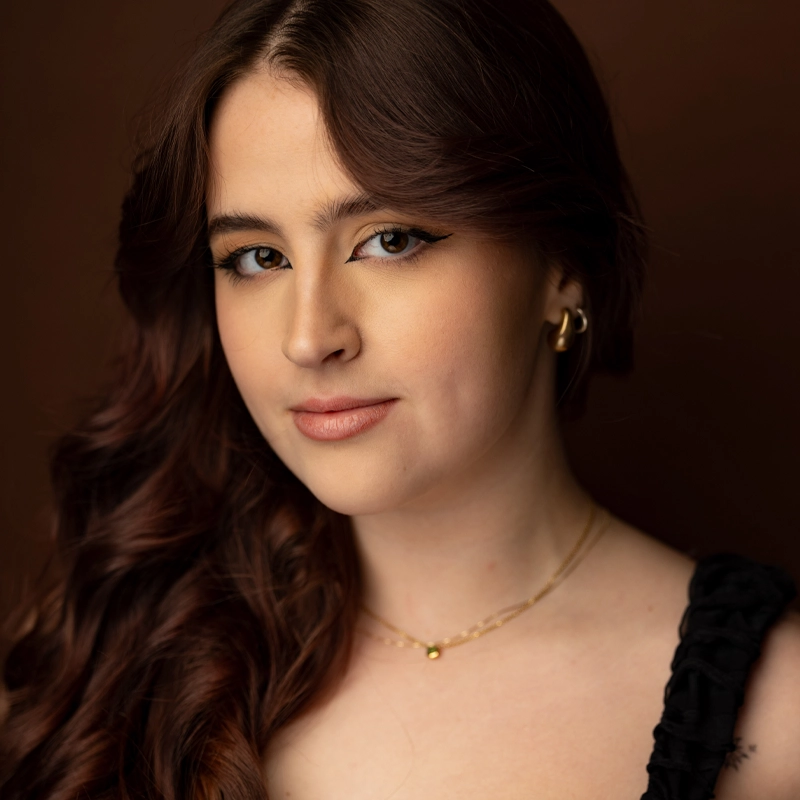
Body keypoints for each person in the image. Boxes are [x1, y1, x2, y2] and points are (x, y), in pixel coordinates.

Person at [1, 0, 798, 797]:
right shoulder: (92, 667)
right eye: (255, 258)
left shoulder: (775, 716)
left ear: (562, 265)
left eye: (390, 240)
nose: (309, 337)